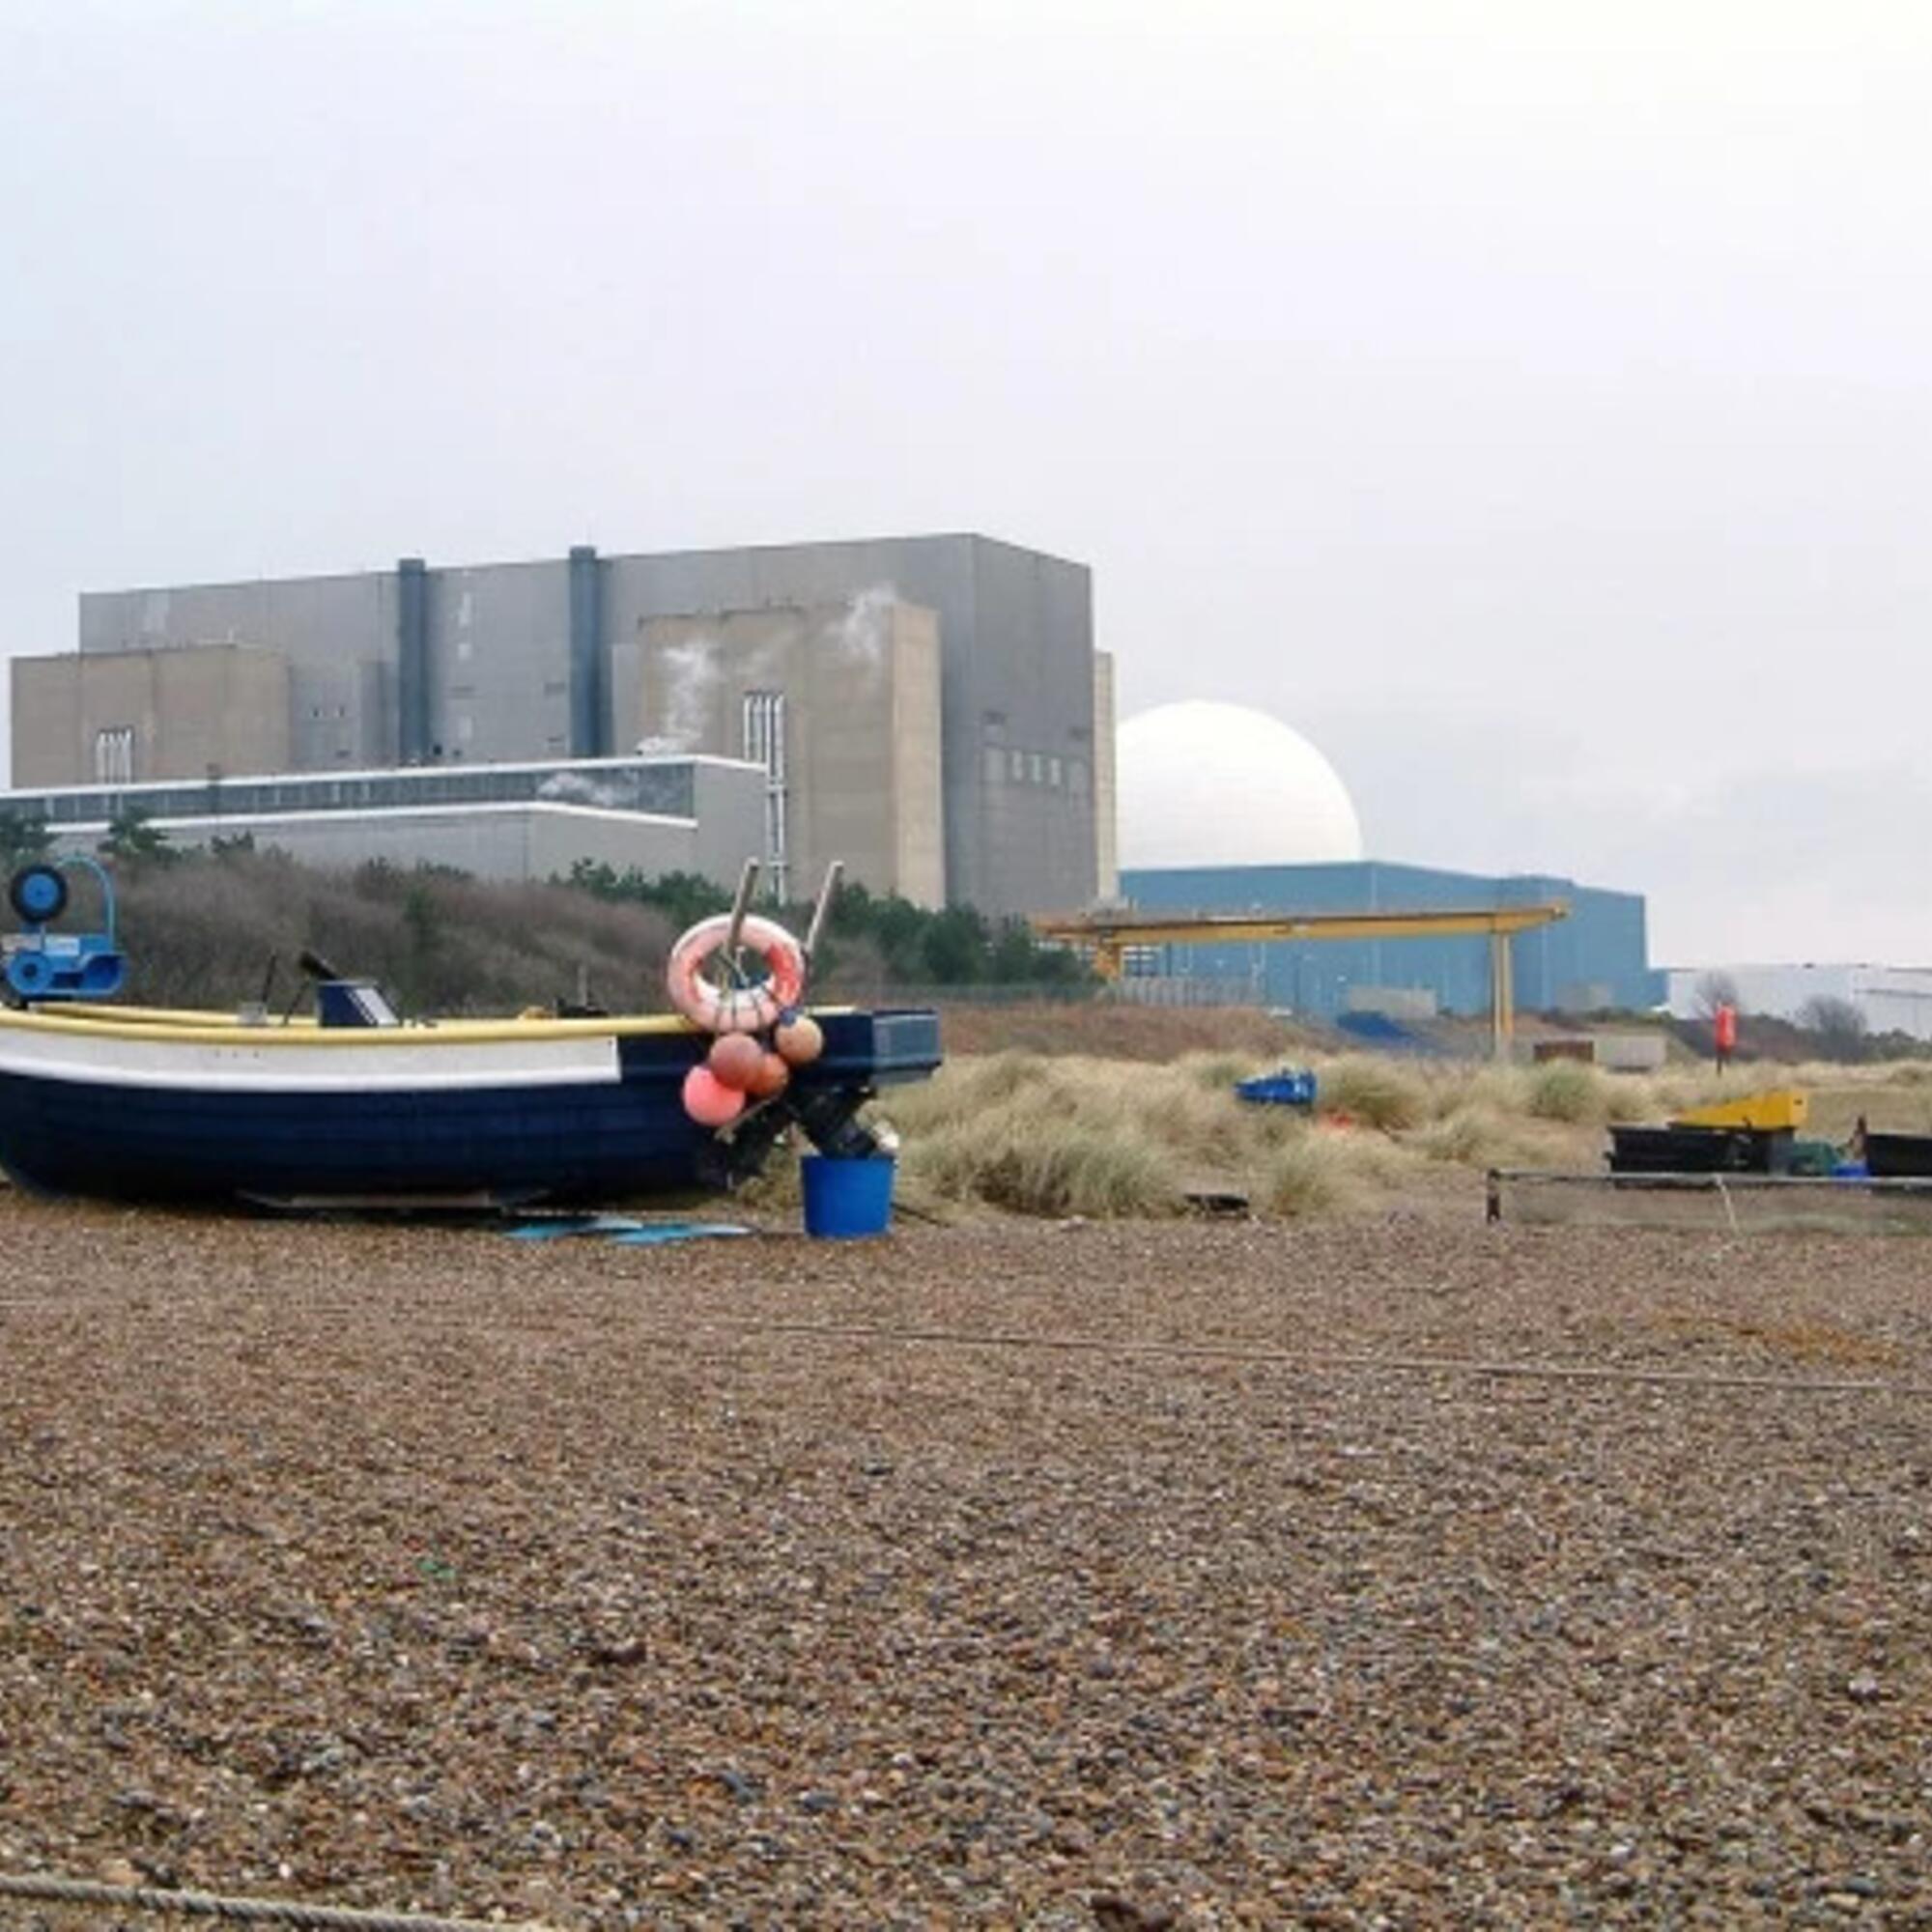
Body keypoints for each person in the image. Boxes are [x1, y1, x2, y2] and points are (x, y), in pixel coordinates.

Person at [1714, 1000, 1738, 1074]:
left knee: (1719, 1058)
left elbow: (1718, 1024)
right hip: (1730, 1038)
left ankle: (1719, 1073)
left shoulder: (1720, 1013)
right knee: (1729, 1057)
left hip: (1721, 1038)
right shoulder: (1731, 1013)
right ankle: (1730, 1071)